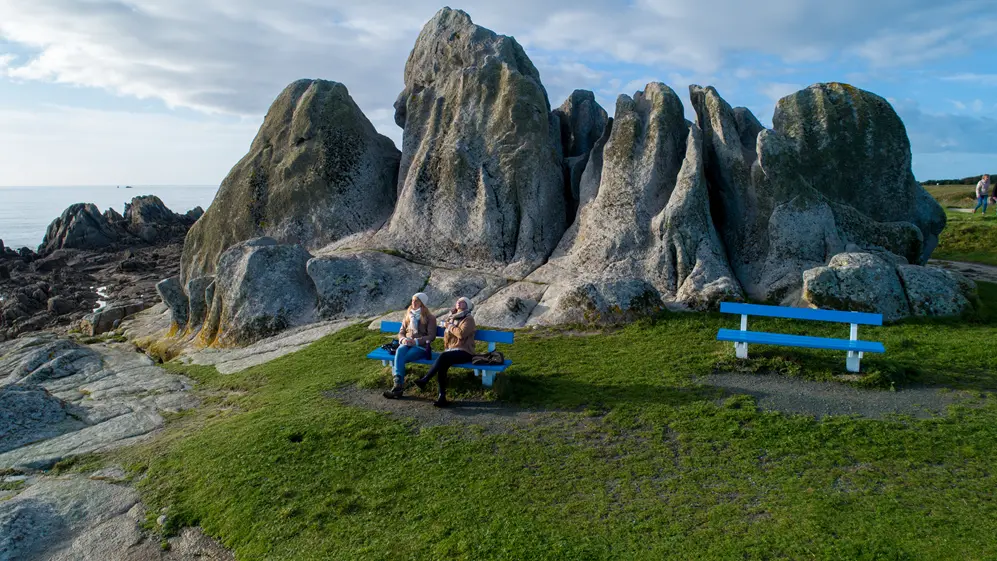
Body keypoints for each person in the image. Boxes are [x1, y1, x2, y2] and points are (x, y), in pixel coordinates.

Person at [414, 297, 476, 408]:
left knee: (443, 356)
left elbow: (461, 334)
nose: (458, 302)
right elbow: (448, 333)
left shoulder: (469, 319)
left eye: (462, 302)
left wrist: (449, 325)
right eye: (458, 301)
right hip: (452, 351)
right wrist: (449, 320)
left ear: (467, 305)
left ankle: (425, 379)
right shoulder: (452, 318)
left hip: (465, 352)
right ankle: (442, 397)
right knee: (442, 365)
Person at [382, 293, 436, 399]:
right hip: (406, 343)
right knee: (400, 351)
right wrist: (403, 339)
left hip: (421, 347)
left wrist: (415, 341)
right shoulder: (408, 315)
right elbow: (401, 332)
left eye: (416, 301)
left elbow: (431, 336)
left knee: (400, 359)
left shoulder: (430, 317)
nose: (413, 303)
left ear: (422, 303)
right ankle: (398, 386)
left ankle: (398, 387)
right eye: (412, 300)